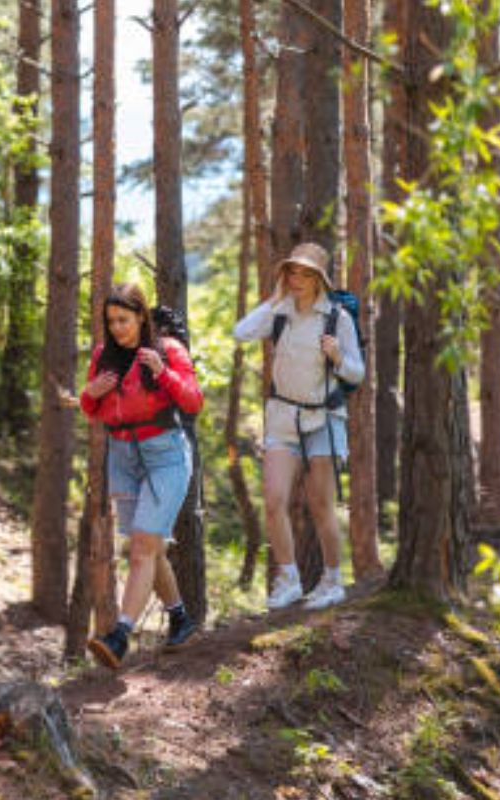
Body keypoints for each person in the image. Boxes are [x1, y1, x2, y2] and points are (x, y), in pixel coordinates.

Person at [76, 283, 205, 668]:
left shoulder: (168, 351)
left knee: (142, 549)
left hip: (165, 454)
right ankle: (180, 617)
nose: (117, 328)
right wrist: (90, 392)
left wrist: (163, 373)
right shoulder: (103, 356)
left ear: (141, 317)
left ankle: (119, 636)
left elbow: (193, 401)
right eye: (111, 321)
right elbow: (92, 409)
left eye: (124, 319)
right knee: (148, 547)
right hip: (122, 457)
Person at [233, 242, 365, 611]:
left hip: (323, 419)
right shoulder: (281, 311)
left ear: (320, 279)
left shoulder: (336, 317)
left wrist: (338, 356)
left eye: (305, 273)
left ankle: (333, 580)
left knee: (321, 504)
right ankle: (289, 578)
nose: (297, 279)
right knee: (274, 501)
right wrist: (275, 298)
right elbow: (241, 331)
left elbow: (357, 371)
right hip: (281, 418)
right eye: (292, 272)